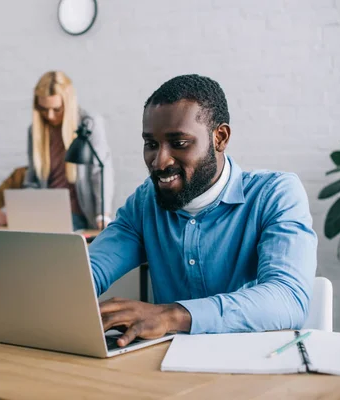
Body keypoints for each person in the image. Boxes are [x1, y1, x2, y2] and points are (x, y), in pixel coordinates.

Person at [89, 74, 317, 347]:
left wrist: (172, 315)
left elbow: (287, 297)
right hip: (164, 371)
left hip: (254, 364)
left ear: (219, 138)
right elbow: (90, 271)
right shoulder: (144, 202)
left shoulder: (275, 194)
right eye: (151, 144)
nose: (159, 161)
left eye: (179, 143)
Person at [24, 71, 114, 230]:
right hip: (46, 213)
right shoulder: (35, 132)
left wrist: (103, 214)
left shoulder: (89, 124)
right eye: (44, 109)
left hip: (79, 215)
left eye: (56, 109)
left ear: (68, 103)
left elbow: (100, 172)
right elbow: (33, 179)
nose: (50, 116)